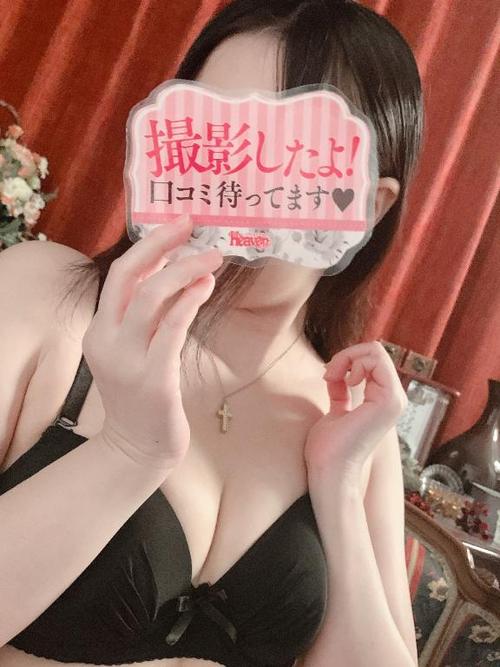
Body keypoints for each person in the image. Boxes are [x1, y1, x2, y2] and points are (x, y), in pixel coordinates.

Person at [0, 1, 423, 666]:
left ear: (369, 204)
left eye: (286, 153)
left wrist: (339, 489)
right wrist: (126, 451)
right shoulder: (42, 295)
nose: (233, 183)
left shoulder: (350, 421)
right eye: (212, 135)